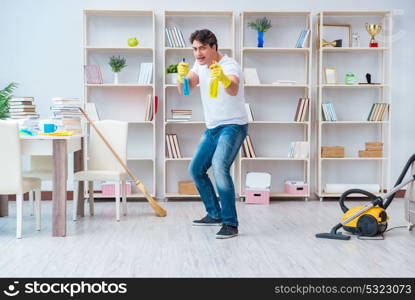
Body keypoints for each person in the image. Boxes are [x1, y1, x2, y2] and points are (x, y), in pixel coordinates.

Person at [177, 29, 248, 239]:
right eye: (195, 49)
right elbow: (185, 89)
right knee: (196, 169)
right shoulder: (199, 65)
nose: (198, 53)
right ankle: (214, 213)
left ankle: (230, 224)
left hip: (233, 126)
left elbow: (233, 88)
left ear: (214, 47)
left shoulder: (229, 65)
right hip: (213, 127)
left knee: (219, 166)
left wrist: (224, 79)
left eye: (202, 48)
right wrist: (181, 78)